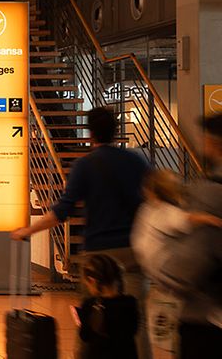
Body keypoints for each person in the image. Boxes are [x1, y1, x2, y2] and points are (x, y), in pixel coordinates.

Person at [12, 107, 152, 359]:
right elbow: (150, 201)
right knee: (135, 321)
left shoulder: (86, 165)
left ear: (89, 134)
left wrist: (28, 230)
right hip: (134, 249)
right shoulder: (136, 161)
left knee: (91, 319)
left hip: (98, 257)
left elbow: (62, 211)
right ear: (116, 130)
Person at [158, 114, 222, 357]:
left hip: (207, 316)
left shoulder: (209, 193)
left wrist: (166, 273)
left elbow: (189, 262)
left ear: (212, 143)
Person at [76, 254, 139, 359]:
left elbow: (85, 336)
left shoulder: (90, 305)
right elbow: (132, 332)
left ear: (92, 280)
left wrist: (82, 318)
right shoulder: (130, 303)